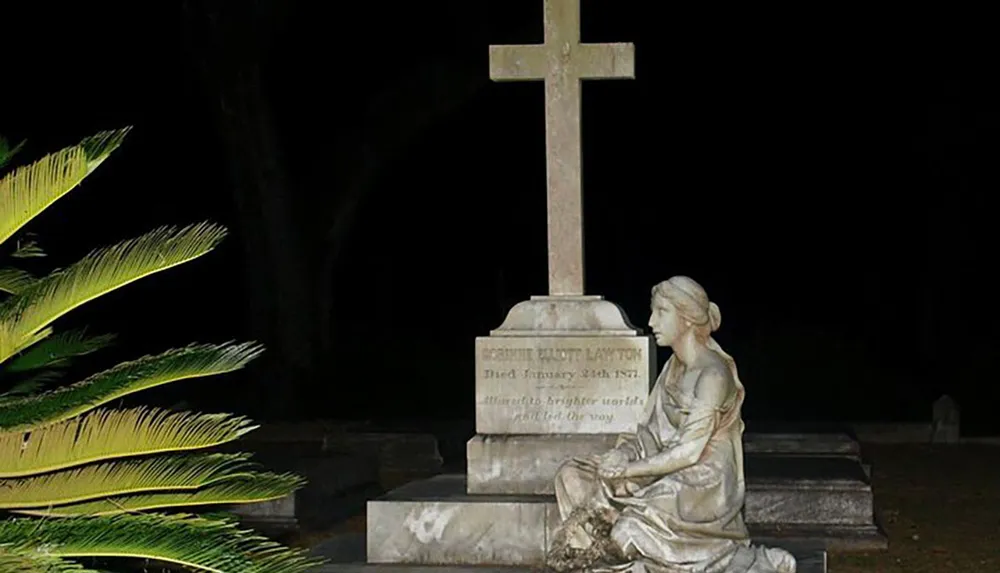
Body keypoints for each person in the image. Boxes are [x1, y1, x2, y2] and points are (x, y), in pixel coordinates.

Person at [546, 276, 796, 573]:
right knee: (571, 476)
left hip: (703, 480)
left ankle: (747, 560)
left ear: (688, 318)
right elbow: (649, 433)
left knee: (629, 530)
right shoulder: (673, 367)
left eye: (661, 312)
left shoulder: (713, 376)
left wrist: (627, 471)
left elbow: (689, 452)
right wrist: (623, 455)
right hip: (660, 469)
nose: (652, 321)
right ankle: (624, 557)